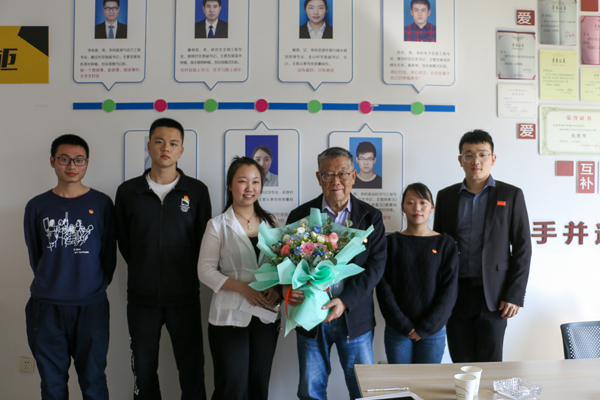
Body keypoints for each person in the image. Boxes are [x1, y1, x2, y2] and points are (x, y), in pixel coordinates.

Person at [115, 118, 211, 400]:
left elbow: (203, 243)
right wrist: (144, 266)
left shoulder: (197, 191)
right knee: (143, 371)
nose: (165, 148)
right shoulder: (128, 192)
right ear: (149, 146)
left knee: (192, 370)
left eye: (173, 143)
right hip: (142, 298)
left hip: (185, 296)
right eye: (159, 141)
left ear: (181, 150)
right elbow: (124, 242)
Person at [286, 147, 386, 400]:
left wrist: (345, 301)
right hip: (312, 316)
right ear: (319, 178)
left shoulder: (371, 217)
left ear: (353, 176)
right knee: (310, 390)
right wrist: (286, 289)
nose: (336, 181)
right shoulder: (300, 216)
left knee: (364, 391)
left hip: (355, 316)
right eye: (328, 175)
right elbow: (286, 264)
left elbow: (376, 267)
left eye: (342, 173)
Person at [24, 134, 116, 400]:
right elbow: (36, 254)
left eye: (79, 160)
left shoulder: (102, 204)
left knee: (94, 380)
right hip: (46, 307)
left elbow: (108, 254)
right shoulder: (37, 206)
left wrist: (91, 285)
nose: (72, 166)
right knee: (52, 384)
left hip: (91, 306)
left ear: (87, 163)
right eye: (64, 159)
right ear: (52, 161)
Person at [433, 130, 532, 362]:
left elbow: (522, 248)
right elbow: (439, 248)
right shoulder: (446, 197)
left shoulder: (511, 195)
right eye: (469, 155)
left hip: (494, 296)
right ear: (460, 160)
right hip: (455, 295)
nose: (475, 161)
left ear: (493, 158)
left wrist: (515, 295)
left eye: (482, 154)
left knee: (491, 364)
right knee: (461, 364)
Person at [198, 156, 280, 400]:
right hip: (229, 317)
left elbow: (281, 265)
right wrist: (243, 288)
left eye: (256, 181)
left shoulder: (272, 223)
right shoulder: (217, 225)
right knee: (231, 387)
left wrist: (277, 288)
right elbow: (205, 270)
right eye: (243, 181)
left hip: (265, 315)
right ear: (230, 184)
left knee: (259, 385)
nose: (249, 187)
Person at [376, 183, 458, 364]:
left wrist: (426, 328)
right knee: (399, 380)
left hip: (433, 331)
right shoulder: (391, 243)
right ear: (403, 207)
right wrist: (404, 326)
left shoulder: (446, 244)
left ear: (432, 207)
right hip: (398, 330)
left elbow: (449, 291)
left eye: (423, 202)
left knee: (428, 380)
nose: (417, 208)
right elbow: (383, 289)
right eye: (410, 202)